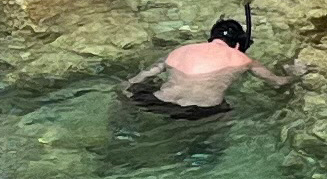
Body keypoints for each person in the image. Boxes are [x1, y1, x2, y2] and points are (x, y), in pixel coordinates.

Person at [124, 14, 296, 114]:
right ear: (238, 45)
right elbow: (278, 83)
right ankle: (201, 156)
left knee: (145, 87)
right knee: (228, 116)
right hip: (203, 111)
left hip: (159, 102)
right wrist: (295, 74)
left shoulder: (181, 50)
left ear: (211, 38)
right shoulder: (242, 59)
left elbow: (140, 77)